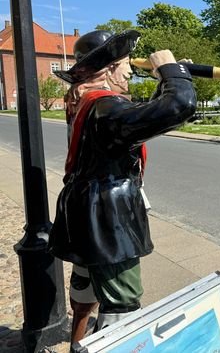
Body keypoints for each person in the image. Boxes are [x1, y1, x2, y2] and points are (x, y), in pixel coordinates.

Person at [48, 29, 197, 347]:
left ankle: (77, 343)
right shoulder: (108, 111)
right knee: (122, 306)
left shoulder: (89, 104)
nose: (130, 70)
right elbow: (180, 105)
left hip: (85, 216)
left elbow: (145, 116)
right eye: (125, 63)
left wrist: (171, 75)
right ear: (108, 70)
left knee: (86, 286)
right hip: (108, 222)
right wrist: (172, 73)